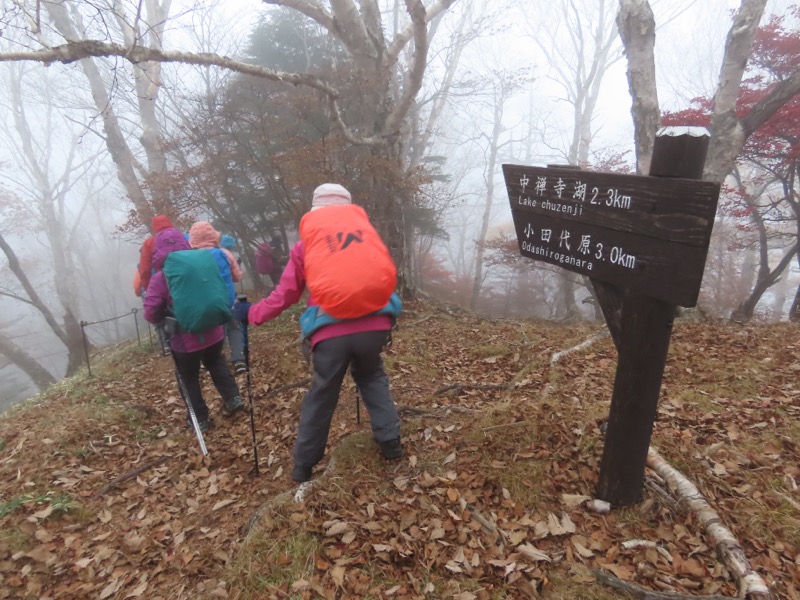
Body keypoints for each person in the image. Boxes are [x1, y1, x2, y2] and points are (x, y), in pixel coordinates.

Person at [248, 183, 402, 484]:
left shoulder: (307, 245)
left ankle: (303, 467)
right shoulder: (365, 237)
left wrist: (254, 314)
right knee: (372, 377)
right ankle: (391, 444)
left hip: (330, 334)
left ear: (315, 211)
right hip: (375, 325)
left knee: (322, 396)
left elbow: (287, 293)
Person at [143, 229, 244, 431]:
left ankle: (200, 419)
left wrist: (161, 318)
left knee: (188, 377)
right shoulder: (203, 265)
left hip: (183, 340)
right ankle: (233, 399)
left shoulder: (161, 277)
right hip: (214, 331)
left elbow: (151, 311)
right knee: (216, 363)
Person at [189, 222, 247, 375]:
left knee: (213, 333)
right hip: (227, 301)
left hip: (203, 304)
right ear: (214, 236)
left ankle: (211, 362)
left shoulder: (190, 258)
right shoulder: (224, 253)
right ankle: (239, 359)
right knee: (234, 328)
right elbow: (237, 277)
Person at [137, 214, 175, 353]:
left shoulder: (149, 243)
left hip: (158, 283)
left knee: (160, 318)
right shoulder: (180, 237)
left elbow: (144, 271)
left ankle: (166, 344)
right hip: (180, 281)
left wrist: (149, 290)